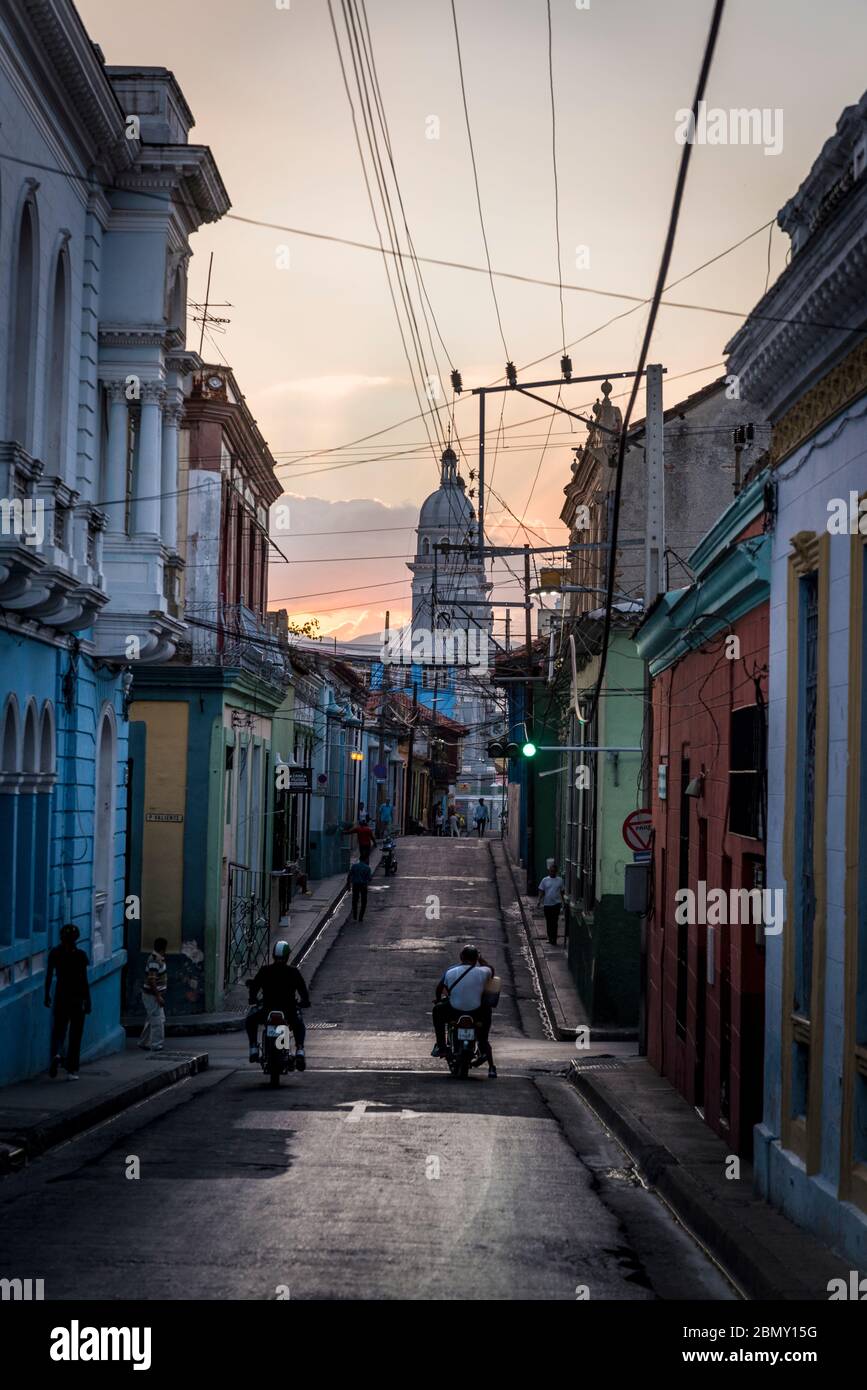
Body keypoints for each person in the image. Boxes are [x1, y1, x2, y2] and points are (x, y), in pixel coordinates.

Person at [431, 945, 496, 1078]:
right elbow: (492, 970)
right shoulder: (483, 972)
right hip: (475, 1012)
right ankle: (485, 1051)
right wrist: (481, 959)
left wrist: (438, 1000)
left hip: (454, 1011)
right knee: (484, 1031)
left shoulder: (451, 971)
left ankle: (441, 1045)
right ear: (476, 958)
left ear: (461, 957)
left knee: (437, 1011)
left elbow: (439, 988)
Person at [246, 941, 310, 1070]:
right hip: (289, 1011)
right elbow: (302, 990)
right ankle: (300, 1050)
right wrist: (305, 1001)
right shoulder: (293, 972)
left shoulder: (265, 970)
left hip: (267, 1009)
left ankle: (253, 1047)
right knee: (299, 1025)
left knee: (250, 1020)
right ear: (287, 956)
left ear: (274, 955)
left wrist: (252, 999)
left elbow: (254, 987)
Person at [44, 923, 91, 1079]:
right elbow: (84, 981)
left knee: (59, 1030)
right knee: (75, 1034)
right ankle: (71, 1070)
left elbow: (49, 975)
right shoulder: (80, 955)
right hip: (77, 998)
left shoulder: (55, 953)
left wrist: (46, 995)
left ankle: (57, 1054)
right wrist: (88, 1001)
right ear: (76, 938)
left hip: (61, 996)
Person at [138, 936, 168, 1053]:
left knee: (152, 1019)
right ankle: (157, 1045)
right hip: (151, 995)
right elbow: (152, 980)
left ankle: (143, 1042)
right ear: (163, 948)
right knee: (157, 1020)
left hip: (152, 995)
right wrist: (158, 996)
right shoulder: (155, 961)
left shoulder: (157, 958)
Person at [537, 863, 566, 945]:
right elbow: (541, 891)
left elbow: (562, 892)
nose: (552, 872)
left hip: (556, 904)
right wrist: (539, 900)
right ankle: (550, 938)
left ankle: (554, 939)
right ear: (549, 871)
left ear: (556, 872)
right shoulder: (545, 880)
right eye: (551, 871)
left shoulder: (560, 880)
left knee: (554, 922)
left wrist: (563, 903)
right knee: (549, 922)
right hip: (547, 904)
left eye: (553, 871)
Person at [349, 856, 372, 921]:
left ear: (359, 859)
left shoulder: (354, 866)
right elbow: (369, 878)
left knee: (354, 900)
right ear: (365, 860)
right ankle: (360, 917)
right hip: (363, 885)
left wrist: (348, 885)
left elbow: (350, 875)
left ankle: (355, 916)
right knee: (364, 901)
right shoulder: (367, 868)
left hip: (355, 885)